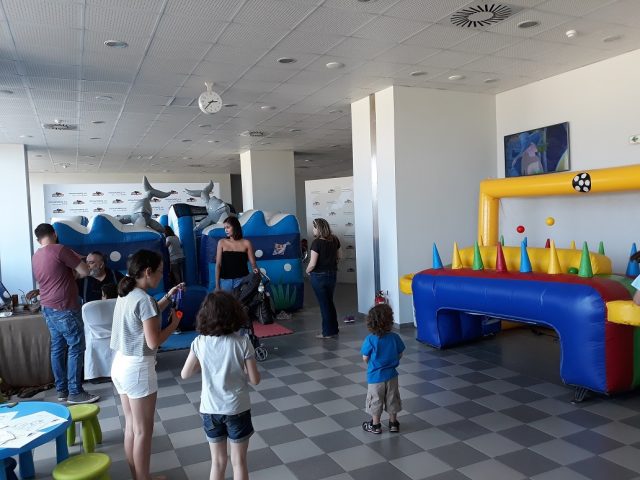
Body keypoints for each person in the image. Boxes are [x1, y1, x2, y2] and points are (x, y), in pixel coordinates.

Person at [110, 249, 183, 480]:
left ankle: (139, 477)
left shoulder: (127, 293)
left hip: (120, 365)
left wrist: (168, 297)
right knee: (144, 431)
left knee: (132, 426)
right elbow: (153, 342)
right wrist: (174, 325)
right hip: (138, 369)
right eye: (160, 271)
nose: (162, 276)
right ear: (148, 271)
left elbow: (146, 315)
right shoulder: (144, 300)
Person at [181, 291, 261, 480]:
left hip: (210, 410)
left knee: (217, 462)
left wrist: (204, 362)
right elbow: (255, 379)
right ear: (234, 314)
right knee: (239, 462)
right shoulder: (242, 342)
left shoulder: (199, 342)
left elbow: (185, 374)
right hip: (237, 408)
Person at [30, 223, 100, 404]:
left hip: (47, 307)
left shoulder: (36, 256)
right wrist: (80, 267)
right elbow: (85, 271)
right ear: (54, 233)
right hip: (64, 307)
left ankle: (62, 391)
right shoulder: (60, 249)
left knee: (57, 349)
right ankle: (75, 392)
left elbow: (56, 276)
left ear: (38, 239)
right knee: (76, 347)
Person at [360, 304, 405, 434]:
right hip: (392, 375)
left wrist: (371, 364)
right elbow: (400, 353)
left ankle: (375, 425)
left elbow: (365, 357)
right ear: (390, 320)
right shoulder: (395, 337)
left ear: (370, 322)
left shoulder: (370, 339)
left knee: (376, 400)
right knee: (392, 398)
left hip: (375, 377)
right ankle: (393, 424)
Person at [305, 218, 341, 339]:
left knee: (324, 305)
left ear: (319, 228)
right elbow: (339, 256)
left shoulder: (316, 243)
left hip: (319, 277)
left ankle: (327, 332)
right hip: (332, 275)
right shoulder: (335, 240)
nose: (313, 229)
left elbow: (312, 264)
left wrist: (307, 271)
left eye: (314, 227)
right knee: (329, 302)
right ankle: (334, 329)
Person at [215, 216, 258, 292]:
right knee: (225, 300)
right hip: (225, 281)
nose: (226, 230)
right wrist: (217, 286)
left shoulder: (246, 243)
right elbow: (218, 264)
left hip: (242, 280)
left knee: (243, 300)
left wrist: (257, 277)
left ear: (235, 227)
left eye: (228, 227)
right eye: (224, 228)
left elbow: (253, 264)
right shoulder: (221, 242)